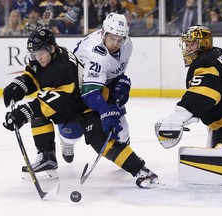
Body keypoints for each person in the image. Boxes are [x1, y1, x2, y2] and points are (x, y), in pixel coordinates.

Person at [69, 12, 163, 188]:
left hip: (100, 87)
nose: (116, 44)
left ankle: (125, 155)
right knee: (85, 135)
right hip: (78, 93)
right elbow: (89, 93)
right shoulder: (94, 52)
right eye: (112, 38)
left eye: (120, 39)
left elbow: (115, 73)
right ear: (103, 33)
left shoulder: (127, 46)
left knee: (121, 135)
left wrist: (120, 86)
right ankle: (65, 142)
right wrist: (105, 110)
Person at [155, 25, 222, 150]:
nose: (187, 49)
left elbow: (203, 94)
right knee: (217, 148)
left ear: (203, 44)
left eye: (192, 44)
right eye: (187, 45)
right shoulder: (219, 53)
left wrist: (179, 116)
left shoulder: (205, 62)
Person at [2, 28, 87, 179]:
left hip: (76, 114)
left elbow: (49, 104)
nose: (37, 57)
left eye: (40, 53)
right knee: (36, 114)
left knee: (63, 131)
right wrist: (20, 85)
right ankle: (47, 158)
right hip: (64, 103)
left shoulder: (62, 69)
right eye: (34, 53)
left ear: (51, 48)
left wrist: (23, 113)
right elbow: (35, 74)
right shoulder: (49, 56)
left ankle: (66, 143)